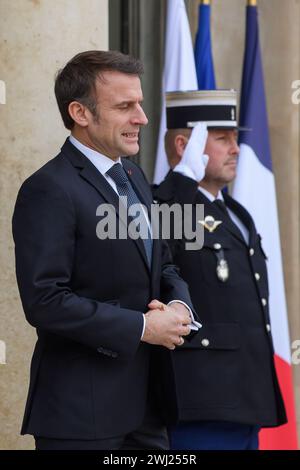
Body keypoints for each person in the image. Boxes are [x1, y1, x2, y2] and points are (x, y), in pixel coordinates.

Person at [12, 50, 199, 450]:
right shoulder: (48, 189)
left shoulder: (132, 176)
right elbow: (44, 300)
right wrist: (142, 327)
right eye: (125, 106)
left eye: (141, 104)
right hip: (82, 419)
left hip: (149, 411)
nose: (142, 119)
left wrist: (180, 308)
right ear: (80, 112)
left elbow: (162, 264)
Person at [153, 90, 287, 450]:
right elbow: (154, 243)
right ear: (185, 146)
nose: (236, 148)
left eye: (235, 138)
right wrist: (182, 180)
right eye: (222, 139)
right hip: (202, 402)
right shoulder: (168, 206)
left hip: (245, 401)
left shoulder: (236, 214)